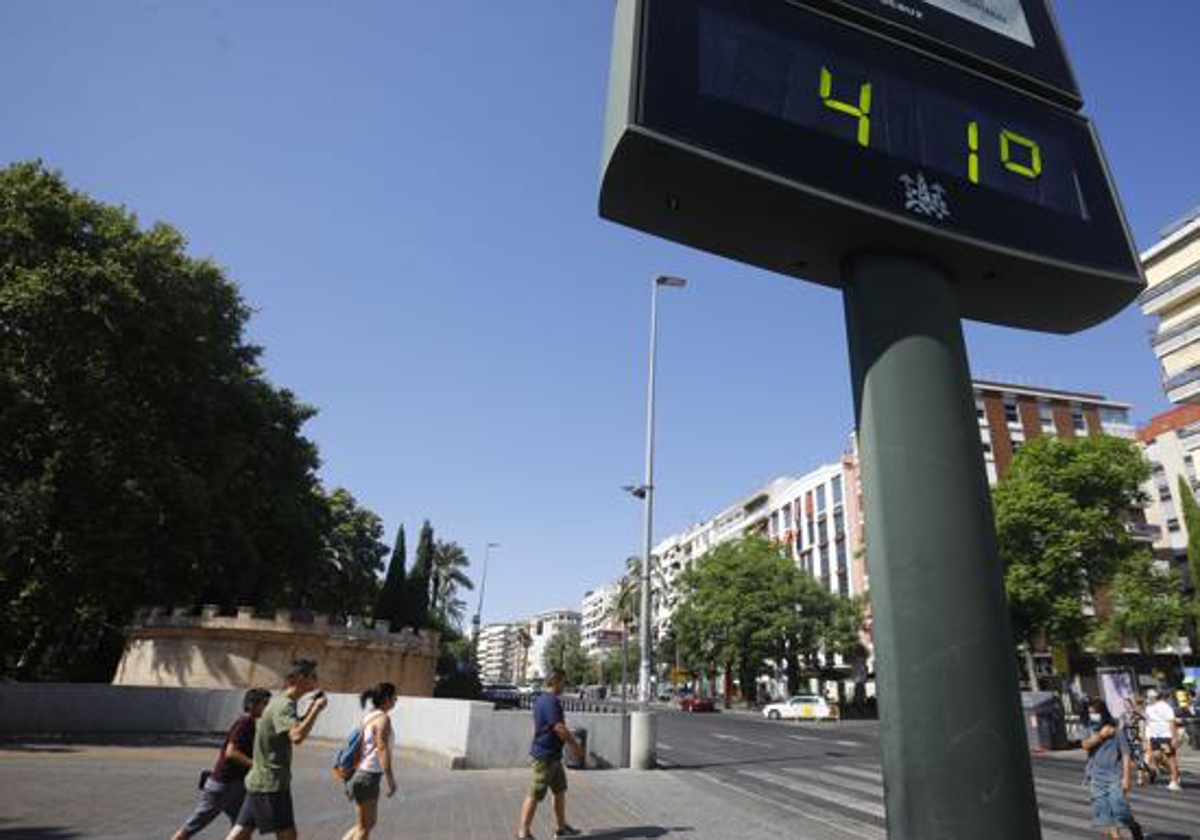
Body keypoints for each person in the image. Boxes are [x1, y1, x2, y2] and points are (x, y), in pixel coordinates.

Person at [224, 659, 327, 840]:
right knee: (288, 835)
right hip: (271, 783)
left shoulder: (279, 702)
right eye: (313, 676)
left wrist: (310, 708)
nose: (316, 680)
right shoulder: (285, 704)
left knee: (241, 832)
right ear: (301, 678)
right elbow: (296, 736)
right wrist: (317, 710)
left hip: (261, 779)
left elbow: (290, 728)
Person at [170, 689, 271, 840]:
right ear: (252, 704)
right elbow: (231, 752)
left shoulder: (249, 722)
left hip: (234, 786)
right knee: (192, 827)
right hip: (224, 786)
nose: (268, 708)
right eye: (265, 704)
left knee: (243, 826)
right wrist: (255, 765)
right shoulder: (245, 722)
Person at [515, 669, 584, 840]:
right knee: (535, 793)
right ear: (556, 681)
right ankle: (523, 832)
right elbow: (559, 728)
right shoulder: (551, 702)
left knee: (559, 790)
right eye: (564, 682)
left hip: (553, 756)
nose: (564, 686)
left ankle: (561, 828)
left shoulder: (540, 699)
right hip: (545, 756)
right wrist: (576, 747)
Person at [340, 682, 398, 840]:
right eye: (395, 697)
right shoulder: (383, 719)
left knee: (366, 824)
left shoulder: (370, 716)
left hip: (362, 774)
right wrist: (390, 779)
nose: (396, 700)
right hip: (368, 777)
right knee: (364, 828)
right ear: (387, 698)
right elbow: (382, 748)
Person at [1082, 698, 1144, 840]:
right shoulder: (1089, 728)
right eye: (1090, 713)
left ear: (1103, 713)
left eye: (1095, 713)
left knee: (1119, 808)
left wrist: (1126, 778)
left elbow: (1126, 753)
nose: (1093, 716)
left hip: (1114, 776)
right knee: (1105, 811)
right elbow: (1085, 745)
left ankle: (1133, 826)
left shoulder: (1117, 730)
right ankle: (1116, 837)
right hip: (1096, 776)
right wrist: (1101, 736)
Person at [1143, 689, 1182, 791]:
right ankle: (1175, 772)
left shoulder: (1165, 706)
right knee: (1156, 756)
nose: (1149, 699)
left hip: (1166, 735)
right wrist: (1147, 737)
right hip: (1154, 736)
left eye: (1151, 697)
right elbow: (1148, 722)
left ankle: (1174, 781)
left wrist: (1174, 738)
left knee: (1170, 757)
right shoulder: (1148, 708)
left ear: (1156, 697)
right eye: (1148, 697)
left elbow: (1172, 722)